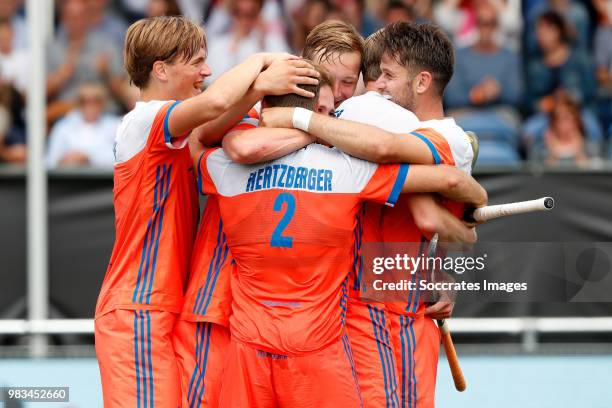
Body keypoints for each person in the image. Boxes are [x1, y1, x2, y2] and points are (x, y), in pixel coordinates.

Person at [195, 77, 486, 408]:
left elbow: (197, 142)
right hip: (317, 352)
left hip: (248, 349)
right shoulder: (346, 169)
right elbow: (450, 180)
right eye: (329, 112)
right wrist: (472, 213)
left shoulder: (224, 167)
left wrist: (253, 117)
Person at [93, 15, 318, 408]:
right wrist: (262, 63)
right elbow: (215, 102)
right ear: (161, 69)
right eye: (196, 61)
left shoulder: (172, 127)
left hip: (160, 306)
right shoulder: (145, 119)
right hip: (138, 309)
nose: (206, 71)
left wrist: (256, 96)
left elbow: (212, 122)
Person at [260, 22, 479, 407]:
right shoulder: (363, 116)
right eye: (373, 76)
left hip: (400, 316)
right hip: (349, 311)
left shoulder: (448, 137)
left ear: (423, 81)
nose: (376, 86)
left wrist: (299, 120)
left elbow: (386, 151)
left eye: (388, 76)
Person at [205, 0, 290, 83]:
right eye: (239, 13)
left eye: (251, 14)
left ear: (259, 12)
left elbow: (284, 72)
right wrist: (234, 47)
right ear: (233, 13)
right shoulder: (218, 45)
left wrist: (263, 43)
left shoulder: (273, 41)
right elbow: (213, 82)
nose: (245, 20)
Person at [46, 83, 119, 168]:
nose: (90, 105)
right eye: (84, 101)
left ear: (102, 103)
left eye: (95, 100)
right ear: (78, 103)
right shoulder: (63, 127)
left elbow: (121, 159)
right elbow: (50, 160)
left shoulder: (115, 126)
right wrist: (64, 159)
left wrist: (89, 158)